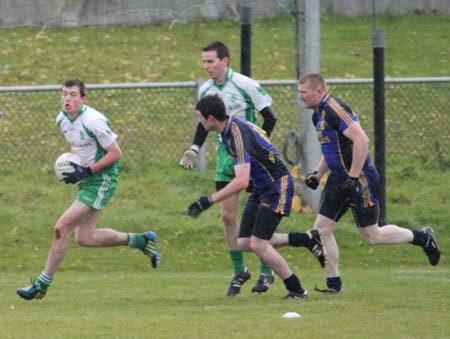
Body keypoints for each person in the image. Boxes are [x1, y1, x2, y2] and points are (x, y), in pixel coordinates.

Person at [298, 72, 441, 294]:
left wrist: (353, 177)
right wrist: (317, 173)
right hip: (338, 178)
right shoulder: (318, 115)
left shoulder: (336, 109)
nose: (300, 97)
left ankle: (423, 238)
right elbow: (331, 148)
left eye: (303, 92)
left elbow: (361, 140)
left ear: (319, 91)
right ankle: (334, 286)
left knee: (372, 236)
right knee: (321, 230)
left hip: (359, 177)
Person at [16, 79, 159, 300]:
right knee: (85, 238)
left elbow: (116, 153)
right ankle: (142, 240)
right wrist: (72, 168)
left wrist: (88, 171)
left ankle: (41, 285)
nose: (67, 99)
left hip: (102, 179)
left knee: (61, 227)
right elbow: (79, 148)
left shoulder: (94, 121)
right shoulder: (61, 120)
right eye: (64, 94)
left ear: (83, 98)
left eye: (73, 94)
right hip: (88, 179)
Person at [187, 94, 326, 299]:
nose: (199, 122)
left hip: (277, 186)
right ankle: (305, 238)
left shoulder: (237, 135)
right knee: (244, 242)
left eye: (200, 118)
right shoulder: (227, 132)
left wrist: (209, 200)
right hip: (260, 187)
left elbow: (241, 180)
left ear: (211, 118)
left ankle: (297, 289)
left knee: (259, 244)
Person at [180, 41, 279, 296]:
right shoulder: (206, 89)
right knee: (227, 217)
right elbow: (204, 124)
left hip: (249, 160)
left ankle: (266, 271)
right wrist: (194, 148)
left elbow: (270, 116)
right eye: (203, 62)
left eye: (210, 61)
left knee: (256, 216)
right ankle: (240, 271)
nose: (206, 66)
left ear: (225, 60)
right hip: (225, 160)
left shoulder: (245, 85)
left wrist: (257, 147)